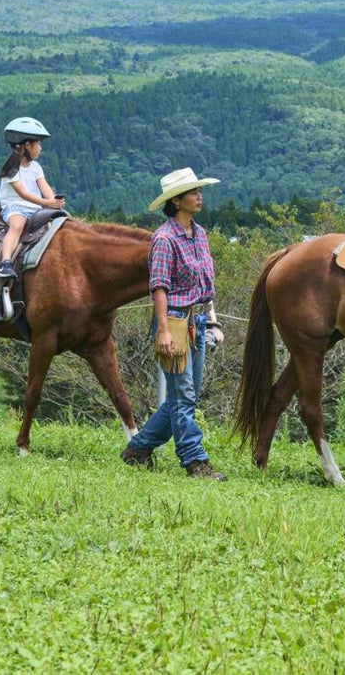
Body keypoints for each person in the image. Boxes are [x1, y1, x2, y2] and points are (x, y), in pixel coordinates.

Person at [121, 167, 227, 480]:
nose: (199, 196)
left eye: (199, 191)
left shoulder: (201, 234)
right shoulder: (165, 239)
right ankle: (195, 462)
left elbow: (207, 285)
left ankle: (138, 449)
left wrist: (212, 322)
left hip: (197, 320)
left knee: (184, 396)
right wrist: (165, 329)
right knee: (185, 396)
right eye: (193, 192)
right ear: (176, 201)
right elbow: (160, 287)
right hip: (176, 322)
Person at [0, 117, 65, 279]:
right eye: (38, 144)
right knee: (17, 226)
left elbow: (44, 186)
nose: (40, 148)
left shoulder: (35, 167)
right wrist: (47, 202)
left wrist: (54, 200)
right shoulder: (11, 169)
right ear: (27, 145)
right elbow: (22, 194)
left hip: (35, 209)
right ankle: (5, 263)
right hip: (15, 207)